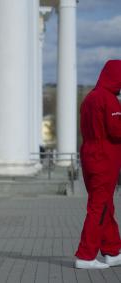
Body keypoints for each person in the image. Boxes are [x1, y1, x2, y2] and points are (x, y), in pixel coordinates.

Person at [75, 60, 121, 269]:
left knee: (105, 205)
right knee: (99, 207)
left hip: (90, 155)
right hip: (104, 158)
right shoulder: (109, 99)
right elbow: (116, 131)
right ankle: (86, 256)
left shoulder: (89, 98)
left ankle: (112, 251)